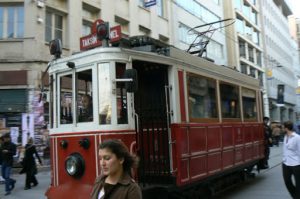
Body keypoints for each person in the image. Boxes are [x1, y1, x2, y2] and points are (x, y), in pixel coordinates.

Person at [282, 121, 300, 199]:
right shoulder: (285, 136)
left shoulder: (297, 137)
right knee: (287, 182)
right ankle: (295, 196)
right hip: (286, 163)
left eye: (283, 127)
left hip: (296, 164)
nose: (282, 129)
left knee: (299, 185)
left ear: (286, 128)